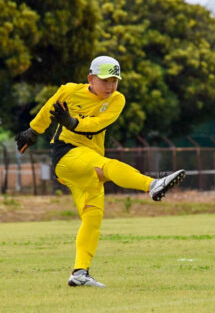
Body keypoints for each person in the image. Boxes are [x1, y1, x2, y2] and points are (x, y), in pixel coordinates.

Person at [15, 56, 185, 288]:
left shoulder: (117, 100)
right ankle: (152, 185)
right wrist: (33, 131)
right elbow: (48, 109)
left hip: (87, 160)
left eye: (115, 80)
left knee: (92, 218)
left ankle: (80, 272)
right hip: (67, 155)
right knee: (105, 166)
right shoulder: (70, 91)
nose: (110, 85)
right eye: (105, 80)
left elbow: (98, 124)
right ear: (91, 79)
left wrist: (74, 123)